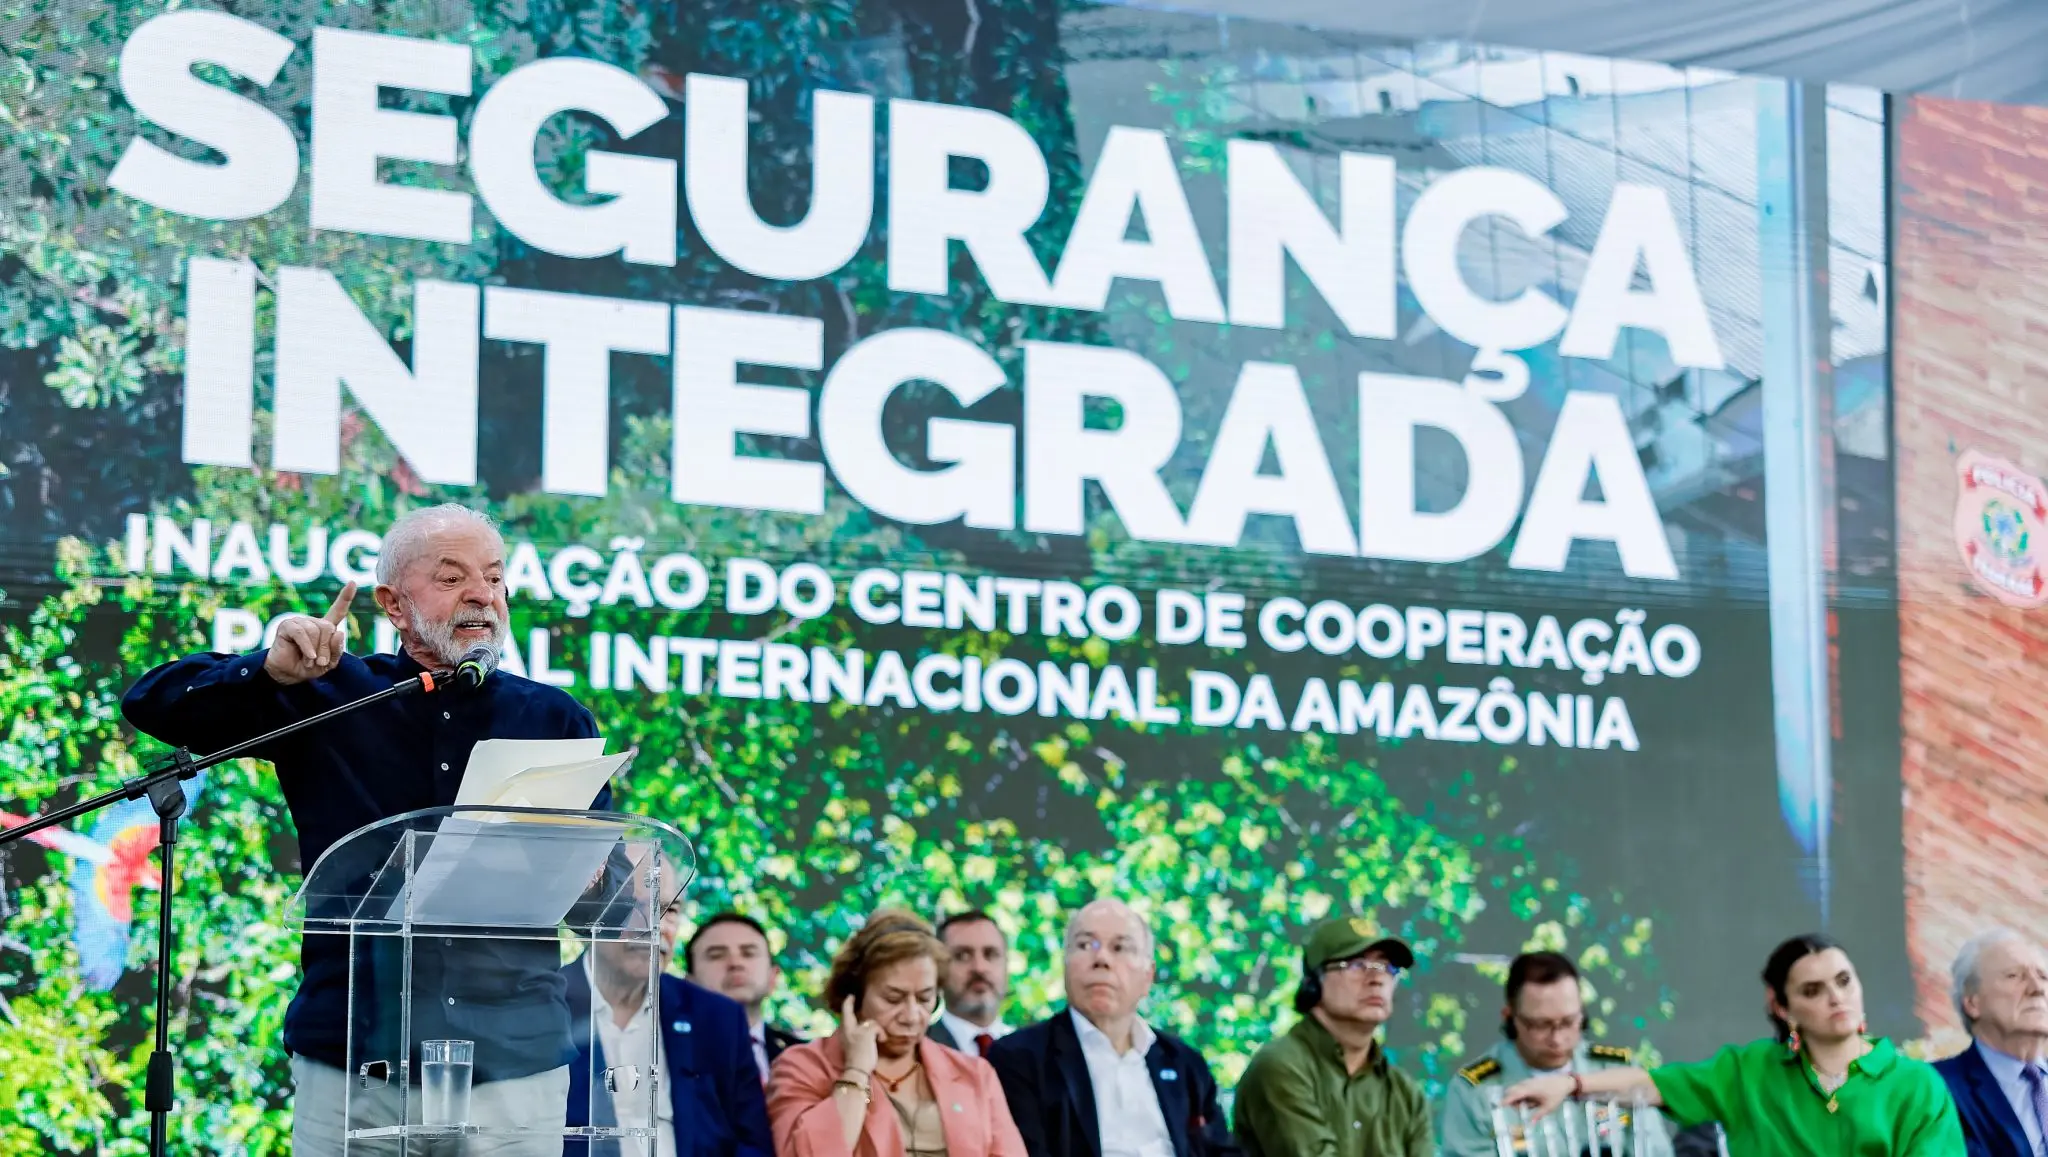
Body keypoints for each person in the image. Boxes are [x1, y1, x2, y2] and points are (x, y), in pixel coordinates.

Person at [122, 503, 608, 1154]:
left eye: (494, 578)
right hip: (356, 1055)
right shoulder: (332, 692)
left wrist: (606, 873)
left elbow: (601, 900)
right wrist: (265, 670)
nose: (481, 596)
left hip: (513, 1064)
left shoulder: (555, 719)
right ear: (394, 604)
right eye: (452, 576)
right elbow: (152, 702)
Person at [1503, 933, 1966, 1156]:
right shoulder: (1750, 1071)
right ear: (1781, 1007)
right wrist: (1571, 1084)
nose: (1836, 997)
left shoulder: (1917, 1085)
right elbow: (1651, 1084)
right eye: (1812, 990)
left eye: (1844, 981)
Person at [989, 898, 1241, 1157]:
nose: (1101, 959)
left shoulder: (1185, 1064)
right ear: (1064, 965)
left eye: (1120, 947)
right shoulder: (1018, 1058)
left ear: (1148, 976)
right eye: (1085, 945)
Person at [766, 909, 1025, 1157]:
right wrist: (856, 1071)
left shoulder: (974, 1074)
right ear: (853, 998)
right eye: (893, 998)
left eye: (925, 998)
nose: (912, 1016)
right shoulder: (801, 1068)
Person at [561, 887, 771, 1157]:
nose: (653, 924)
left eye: (669, 910)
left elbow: (752, 1145)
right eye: (630, 906)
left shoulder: (717, 1018)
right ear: (590, 916)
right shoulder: (536, 1006)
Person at [1438, 950, 1675, 1157]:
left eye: (1569, 1022)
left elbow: (1654, 1150)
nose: (1557, 1039)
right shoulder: (1475, 1090)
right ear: (1510, 1017)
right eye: (1541, 1025)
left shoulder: (1616, 1070)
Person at [1232, 917, 1429, 1157]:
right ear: (1314, 982)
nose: (1377, 979)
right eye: (1357, 965)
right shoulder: (1280, 1066)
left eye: (1387, 968)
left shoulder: (1406, 1093)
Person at [1935, 929, 2048, 1157]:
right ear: (1972, 1003)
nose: (2037, 989)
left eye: (2043, 976)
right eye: (2014, 976)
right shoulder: (1937, 1089)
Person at [687, 912, 805, 1080]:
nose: (735, 963)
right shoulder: (666, 1053)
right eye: (716, 955)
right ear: (688, 983)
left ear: (773, 977)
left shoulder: (803, 1057)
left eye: (749, 953)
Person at [932, 911, 1014, 1057]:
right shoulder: (916, 1052)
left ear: (1006, 965)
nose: (979, 968)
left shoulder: (1034, 1052)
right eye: (962, 956)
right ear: (938, 968)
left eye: (990, 954)